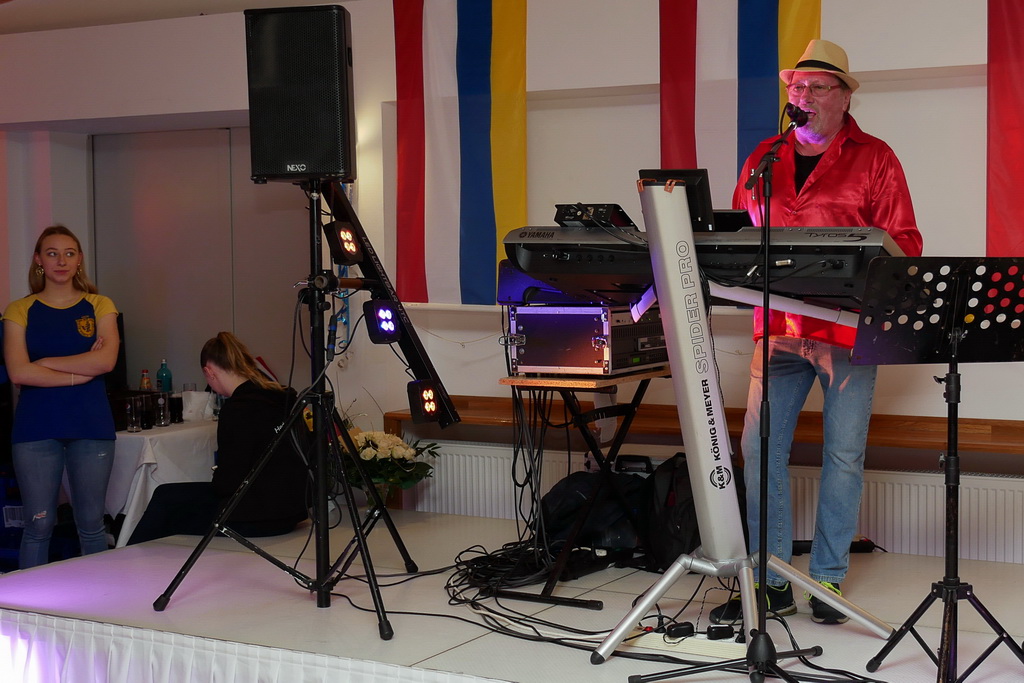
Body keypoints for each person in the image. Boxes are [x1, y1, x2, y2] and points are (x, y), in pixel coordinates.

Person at [710, 40, 924, 625]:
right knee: (760, 452)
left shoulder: (876, 157)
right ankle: (772, 577)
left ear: (845, 97)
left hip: (847, 332)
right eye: (796, 87)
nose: (802, 96)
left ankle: (827, 581)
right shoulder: (765, 157)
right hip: (776, 328)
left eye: (817, 87)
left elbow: (906, 243)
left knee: (843, 456)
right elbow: (736, 237)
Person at [3, 225, 120, 568]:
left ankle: (100, 599)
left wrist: (44, 364)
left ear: (79, 259)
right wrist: (79, 373)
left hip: (90, 422)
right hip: (36, 426)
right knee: (38, 525)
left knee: (92, 525)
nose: (61, 261)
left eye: (69, 253)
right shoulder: (19, 309)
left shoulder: (100, 305)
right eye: (52, 253)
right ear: (39, 260)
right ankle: (30, 599)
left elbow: (106, 361)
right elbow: (18, 373)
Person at [127, 332, 308, 544]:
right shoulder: (283, 398)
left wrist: (218, 475)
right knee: (172, 499)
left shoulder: (237, 409)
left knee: (165, 500)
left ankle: (128, 558)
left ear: (209, 372)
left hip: (257, 517)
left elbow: (228, 483)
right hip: (292, 510)